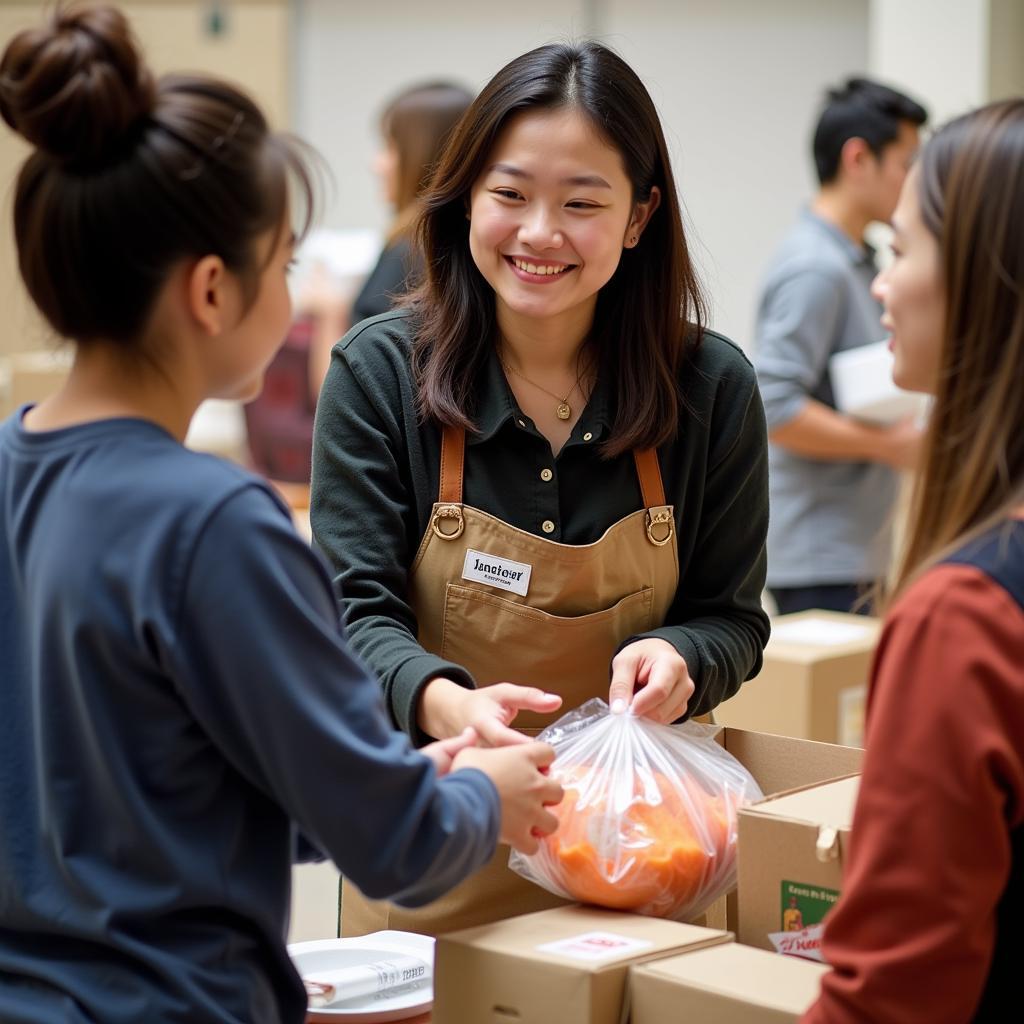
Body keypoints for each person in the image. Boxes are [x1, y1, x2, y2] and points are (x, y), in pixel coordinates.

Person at [0, 6, 561, 1023]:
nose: (296, 295)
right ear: (212, 290)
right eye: (287, 261)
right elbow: (399, 850)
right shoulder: (213, 523)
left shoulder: (10, 469)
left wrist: (398, 772)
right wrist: (485, 799)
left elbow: (140, 784)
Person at [311, 41, 771, 937]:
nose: (539, 234)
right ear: (466, 197)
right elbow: (350, 614)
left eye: (582, 203)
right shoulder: (378, 374)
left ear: (639, 217)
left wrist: (683, 658)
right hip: (435, 844)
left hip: (641, 865)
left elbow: (735, 618)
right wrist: (447, 701)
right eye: (511, 195)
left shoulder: (710, 388)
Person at [801, 99, 1024, 1023]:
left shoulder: (967, 613)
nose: (884, 289)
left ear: (982, 280)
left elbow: (893, 994)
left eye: (904, 251)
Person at [754, 78, 928, 616]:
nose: (914, 181)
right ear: (859, 159)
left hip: (850, 545)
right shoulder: (816, 268)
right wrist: (888, 445)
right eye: (906, 163)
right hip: (819, 552)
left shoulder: (855, 261)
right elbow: (774, 405)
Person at [348, 79, 474, 329]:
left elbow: (357, 365)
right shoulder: (455, 245)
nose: (377, 165)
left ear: (421, 155)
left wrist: (328, 312)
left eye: (390, 148)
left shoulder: (411, 251)